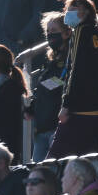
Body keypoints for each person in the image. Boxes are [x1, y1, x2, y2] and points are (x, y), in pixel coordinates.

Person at [48, 0, 98, 158]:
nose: (70, 12)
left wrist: (66, 103)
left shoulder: (81, 31)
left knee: (54, 161)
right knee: (88, 158)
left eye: (75, 8)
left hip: (80, 108)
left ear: (87, 12)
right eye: (69, 8)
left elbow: (75, 69)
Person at [26, 13, 68, 160]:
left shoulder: (70, 56)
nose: (50, 35)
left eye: (54, 30)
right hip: (42, 127)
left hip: (56, 126)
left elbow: (61, 82)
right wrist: (32, 106)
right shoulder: (51, 61)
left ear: (67, 32)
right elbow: (44, 88)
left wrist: (44, 87)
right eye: (48, 31)